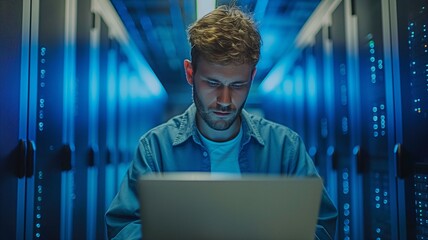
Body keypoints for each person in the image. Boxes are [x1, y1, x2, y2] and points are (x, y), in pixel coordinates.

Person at [105, 5, 337, 240]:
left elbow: (322, 227)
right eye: (213, 83)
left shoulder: (286, 147)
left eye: (237, 85)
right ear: (190, 73)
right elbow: (123, 227)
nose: (225, 101)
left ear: (252, 77)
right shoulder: (155, 148)